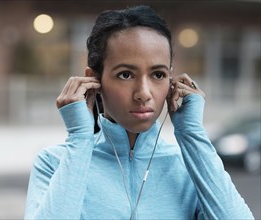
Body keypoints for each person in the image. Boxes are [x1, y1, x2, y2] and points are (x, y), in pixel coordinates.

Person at [24, 5, 254, 220]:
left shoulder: (190, 167)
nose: (144, 93)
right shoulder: (55, 162)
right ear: (94, 79)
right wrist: (80, 140)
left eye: (158, 75)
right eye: (125, 74)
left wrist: (191, 134)